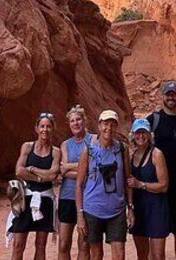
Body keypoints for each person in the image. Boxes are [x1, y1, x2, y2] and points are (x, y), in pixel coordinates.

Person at [146, 81, 176, 260]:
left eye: (174, 94)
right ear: (163, 97)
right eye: (168, 94)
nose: (171, 98)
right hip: (159, 187)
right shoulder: (154, 119)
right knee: (157, 233)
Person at [76, 110, 133, 260]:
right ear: (99, 125)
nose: (109, 128)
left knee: (119, 254)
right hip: (93, 209)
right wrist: (80, 214)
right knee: (96, 254)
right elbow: (79, 185)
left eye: (113, 125)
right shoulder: (88, 151)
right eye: (106, 124)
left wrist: (131, 208)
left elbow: (128, 180)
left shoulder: (122, 149)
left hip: (117, 209)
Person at [11, 112, 62, 260]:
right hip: (24, 198)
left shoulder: (56, 152)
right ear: (36, 128)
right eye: (42, 126)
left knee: (41, 244)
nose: (45, 130)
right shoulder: (27, 147)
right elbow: (19, 171)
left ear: (53, 128)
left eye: (48, 126)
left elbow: (53, 175)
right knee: (18, 244)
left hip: (45, 200)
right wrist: (41, 178)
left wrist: (33, 170)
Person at [127, 118, 170, 260]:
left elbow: (163, 185)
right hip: (139, 208)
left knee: (158, 255)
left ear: (150, 135)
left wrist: (141, 185)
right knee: (142, 254)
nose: (141, 136)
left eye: (144, 133)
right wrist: (130, 209)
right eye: (138, 133)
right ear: (133, 135)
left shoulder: (157, 154)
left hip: (156, 207)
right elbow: (129, 185)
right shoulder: (131, 156)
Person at [58, 105, 96, 260]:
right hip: (67, 196)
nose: (76, 123)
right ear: (69, 124)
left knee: (84, 243)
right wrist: (82, 167)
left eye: (78, 119)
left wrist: (69, 167)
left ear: (84, 120)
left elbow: (93, 168)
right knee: (63, 243)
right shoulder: (65, 144)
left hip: (87, 197)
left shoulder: (93, 139)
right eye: (72, 121)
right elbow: (62, 171)